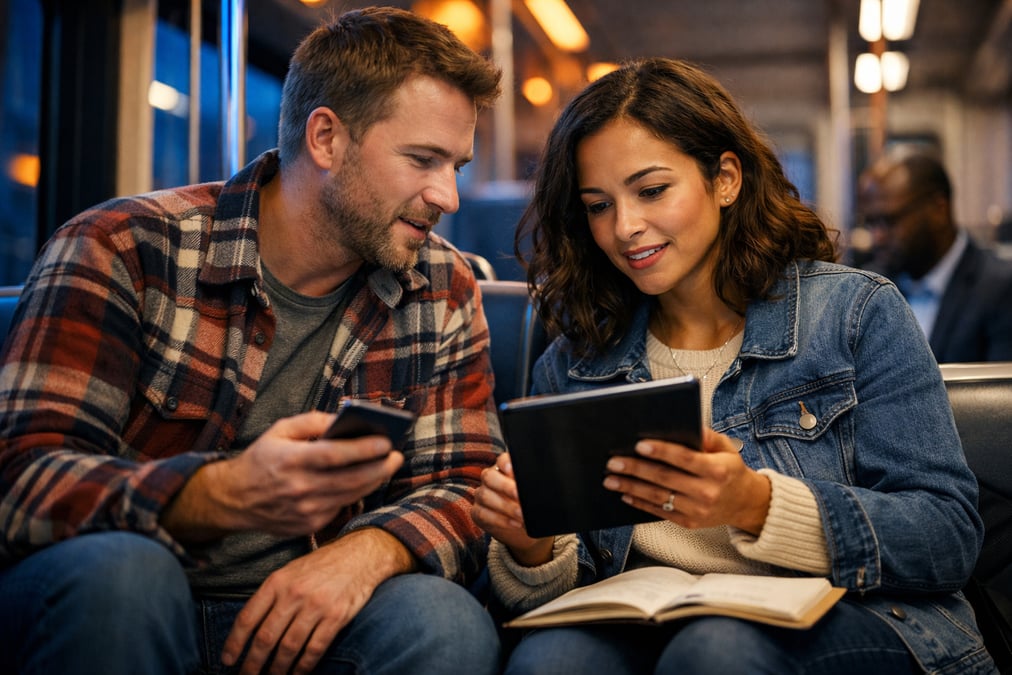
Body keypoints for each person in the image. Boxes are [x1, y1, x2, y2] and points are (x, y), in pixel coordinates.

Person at [0, 7, 504, 675]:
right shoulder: (121, 247)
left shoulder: (442, 284)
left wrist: (368, 551)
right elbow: (20, 480)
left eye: (456, 165)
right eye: (423, 160)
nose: (448, 195)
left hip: (309, 612)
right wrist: (217, 494)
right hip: (129, 589)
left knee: (443, 621)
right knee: (127, 577)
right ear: (325, 138)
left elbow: (464, 485)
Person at [471, 58, 997, 674]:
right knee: (551, 660)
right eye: (597, 205)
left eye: (651, 190)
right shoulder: (576, 360)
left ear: (725, 179)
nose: (624, 228)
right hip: (653, 626)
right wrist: (533, 549)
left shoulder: (855, 313)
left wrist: (757, 504)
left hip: (863, 618)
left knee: (715, 650)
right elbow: (572, 585)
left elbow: (947, 536)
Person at [857, 151, 1012, 362]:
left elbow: (1000, 392)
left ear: (938, 209)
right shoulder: (868, 286)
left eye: (889, 221)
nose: (877, 238)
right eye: (871, 223)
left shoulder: (999, 288)